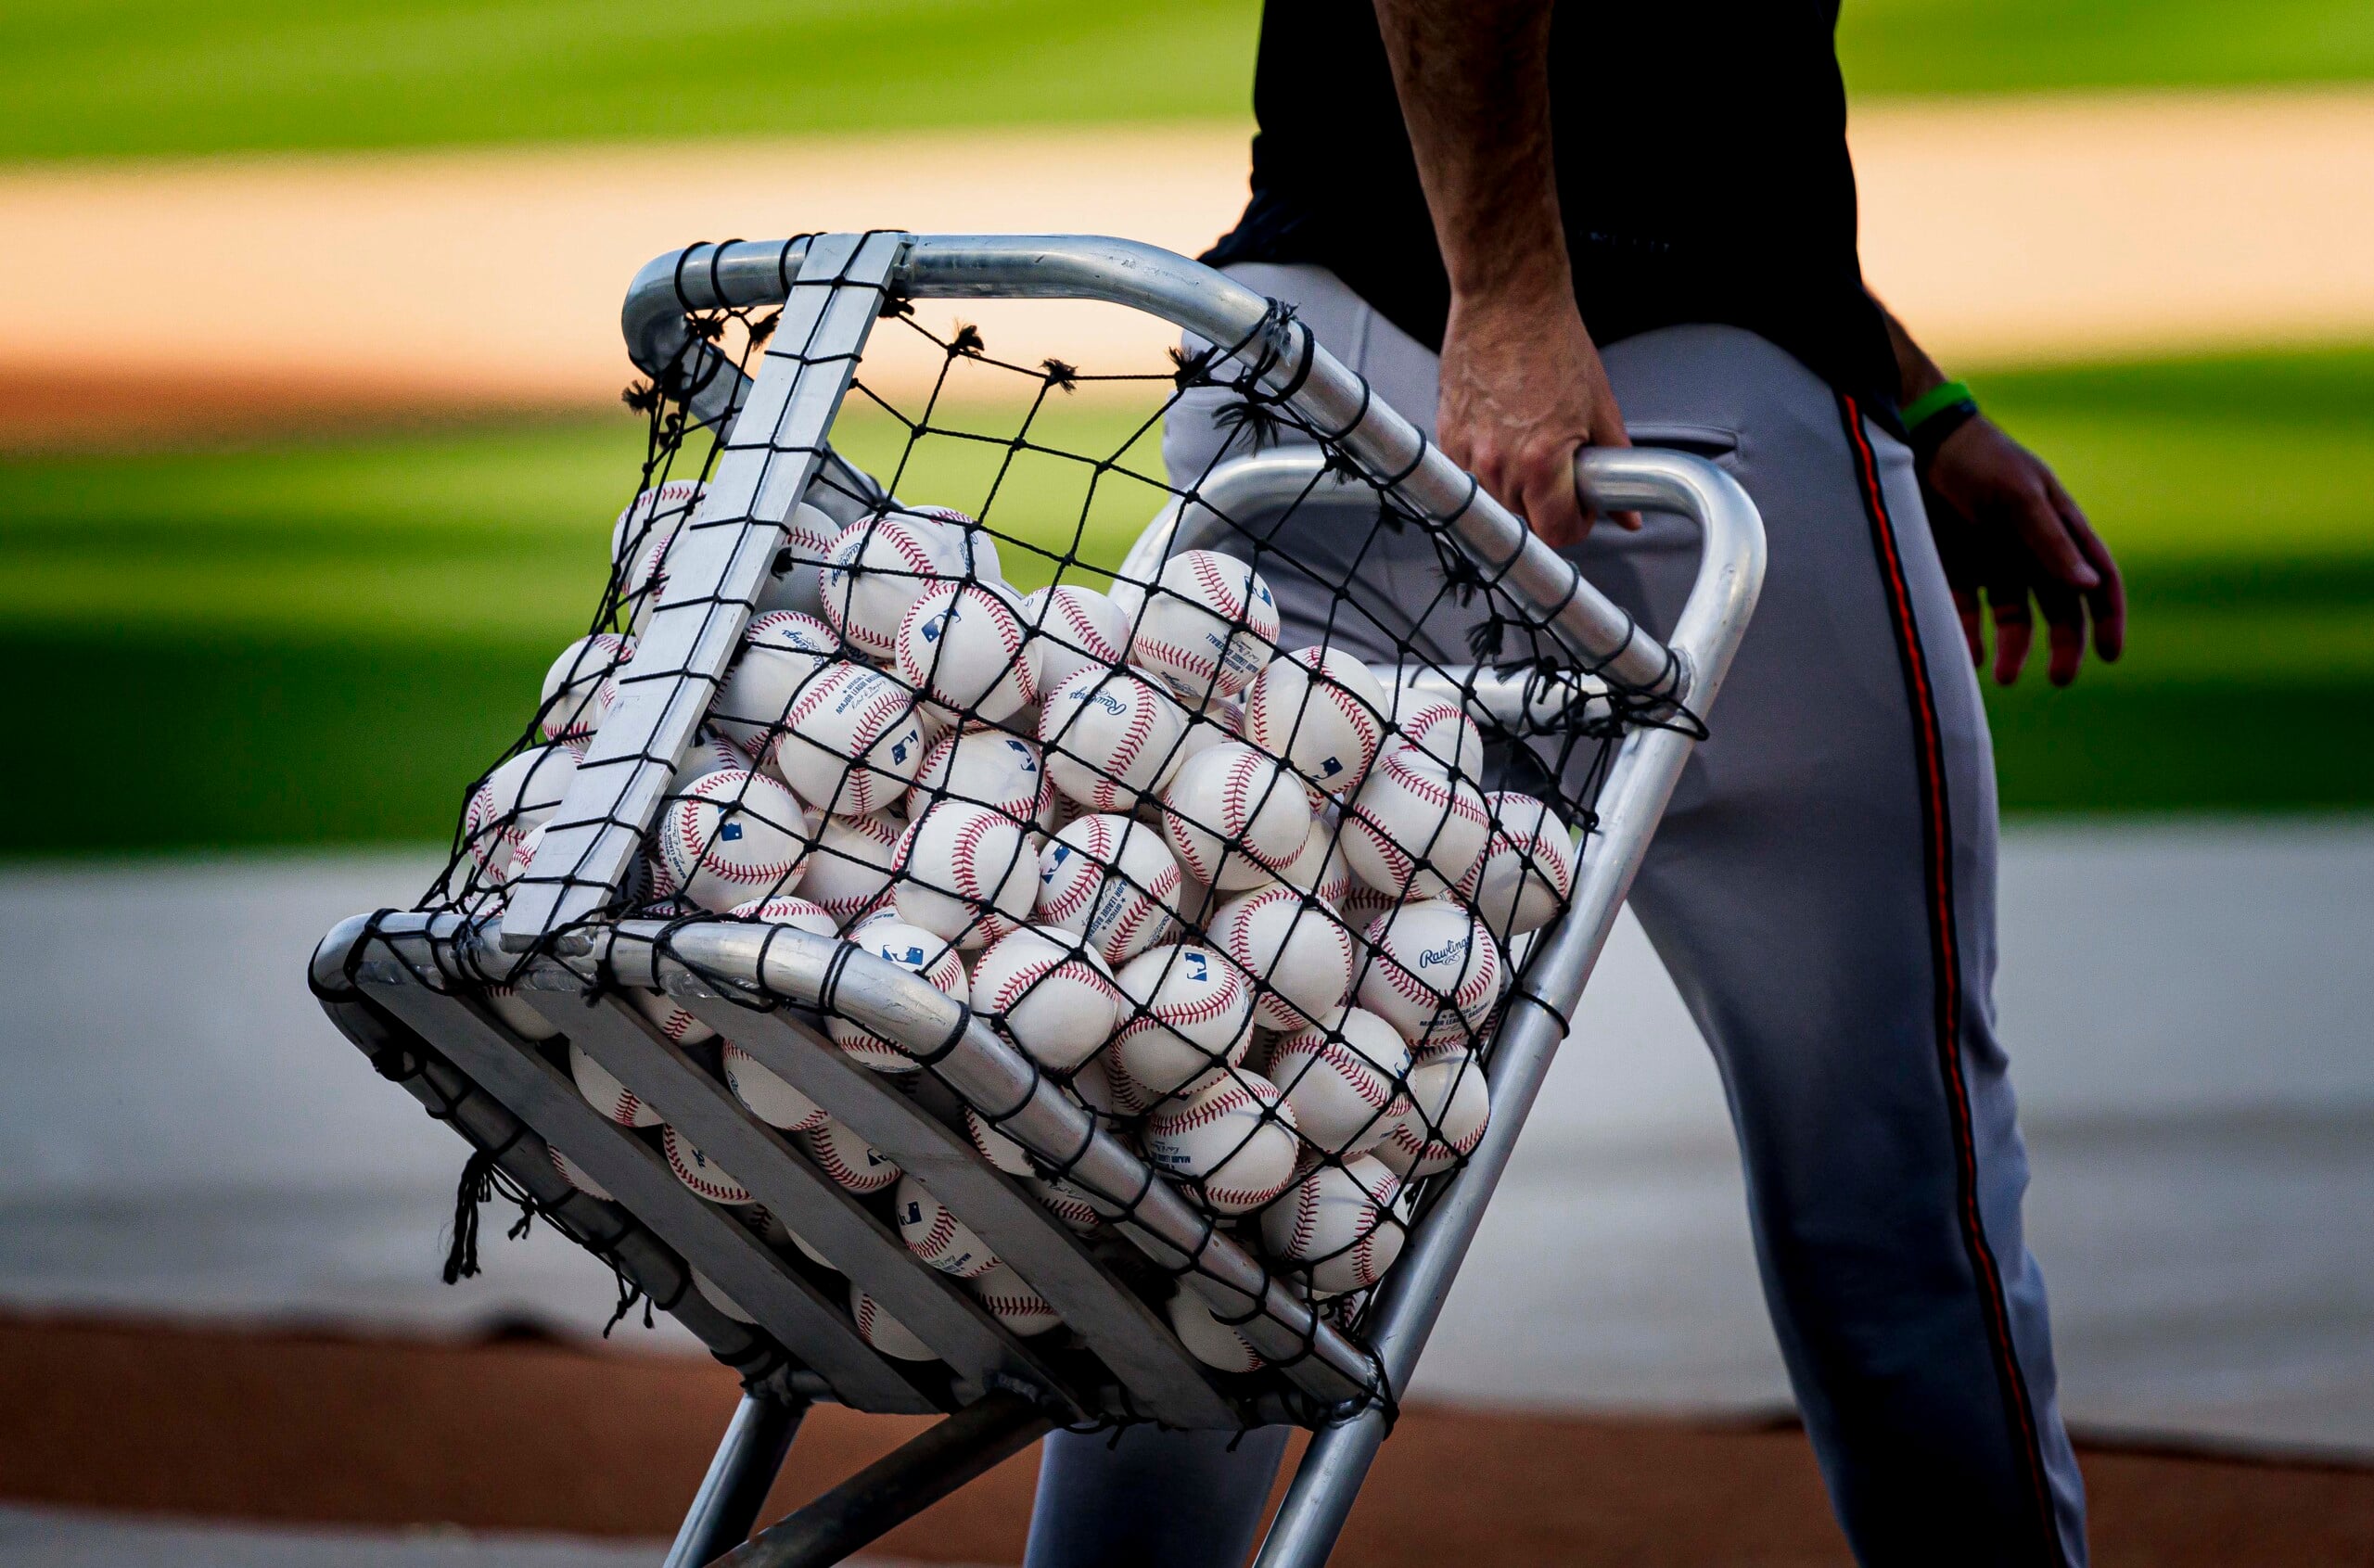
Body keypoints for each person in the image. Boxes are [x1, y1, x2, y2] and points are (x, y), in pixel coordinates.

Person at [1025, 3, 2124, 1564]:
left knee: (1236, 1141)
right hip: (1651, 427)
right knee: (1893, 1183)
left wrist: (1922, 403)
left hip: (1300, 369)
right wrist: (1509, 294)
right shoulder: (1554, 325)